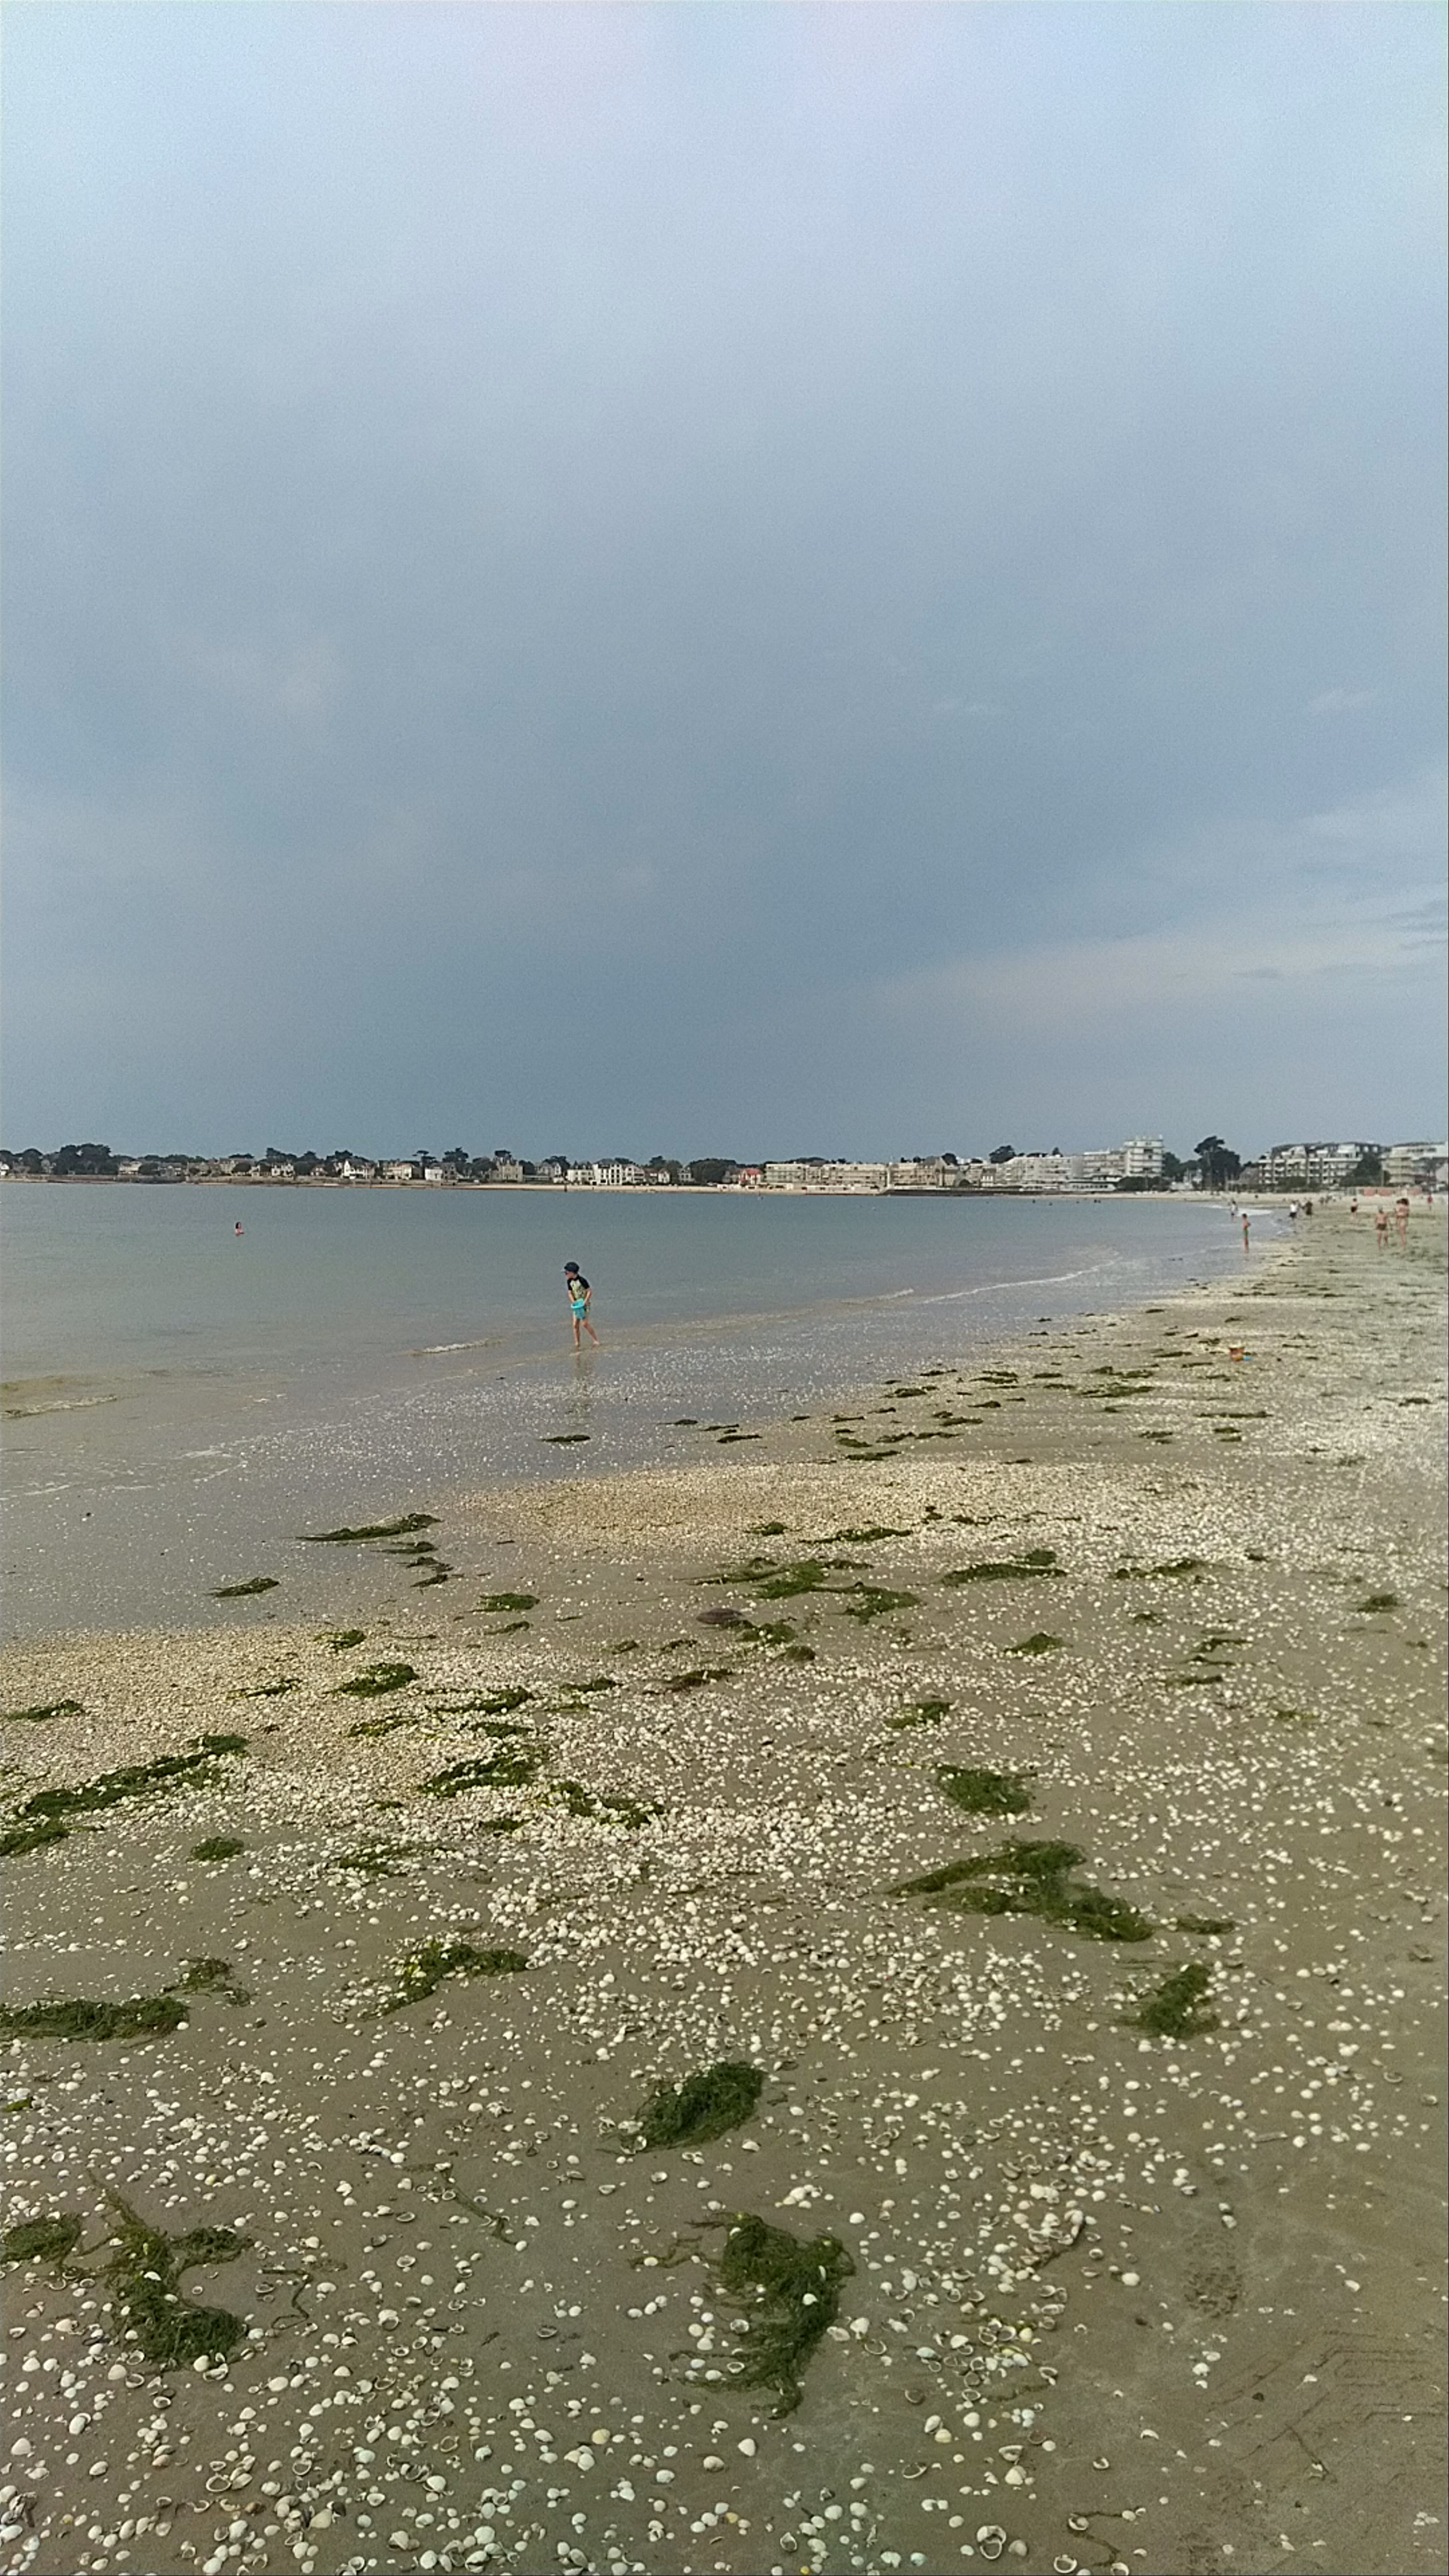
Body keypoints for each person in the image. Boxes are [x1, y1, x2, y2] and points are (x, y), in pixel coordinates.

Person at [563, 1261, 598, 1348]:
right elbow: (570, 1293)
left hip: (584, 1304)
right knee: (575, 1325)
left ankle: (595, 1340)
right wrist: (573, 1302)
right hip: (576, 1305)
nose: (566, 1275)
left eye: (567, 1273)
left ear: (573, 1273)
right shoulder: (569, 1282)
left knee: (585, 1324)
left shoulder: (582, 1280)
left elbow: (589, 1291)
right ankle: (577, 1343)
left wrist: (586, 1302)